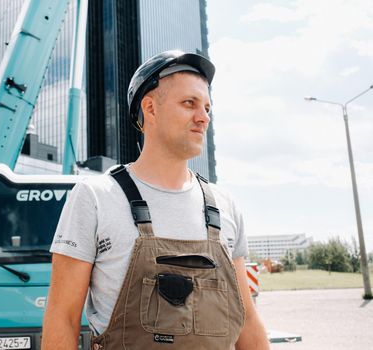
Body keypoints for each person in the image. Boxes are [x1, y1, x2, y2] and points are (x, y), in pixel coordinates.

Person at [42, 50, 269, 349]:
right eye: (189, 103)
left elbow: (247, 320)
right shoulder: (95, 197)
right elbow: (63, 318)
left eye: (207, 108)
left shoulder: (224, 205)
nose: (203, 118)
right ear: (150, 108)